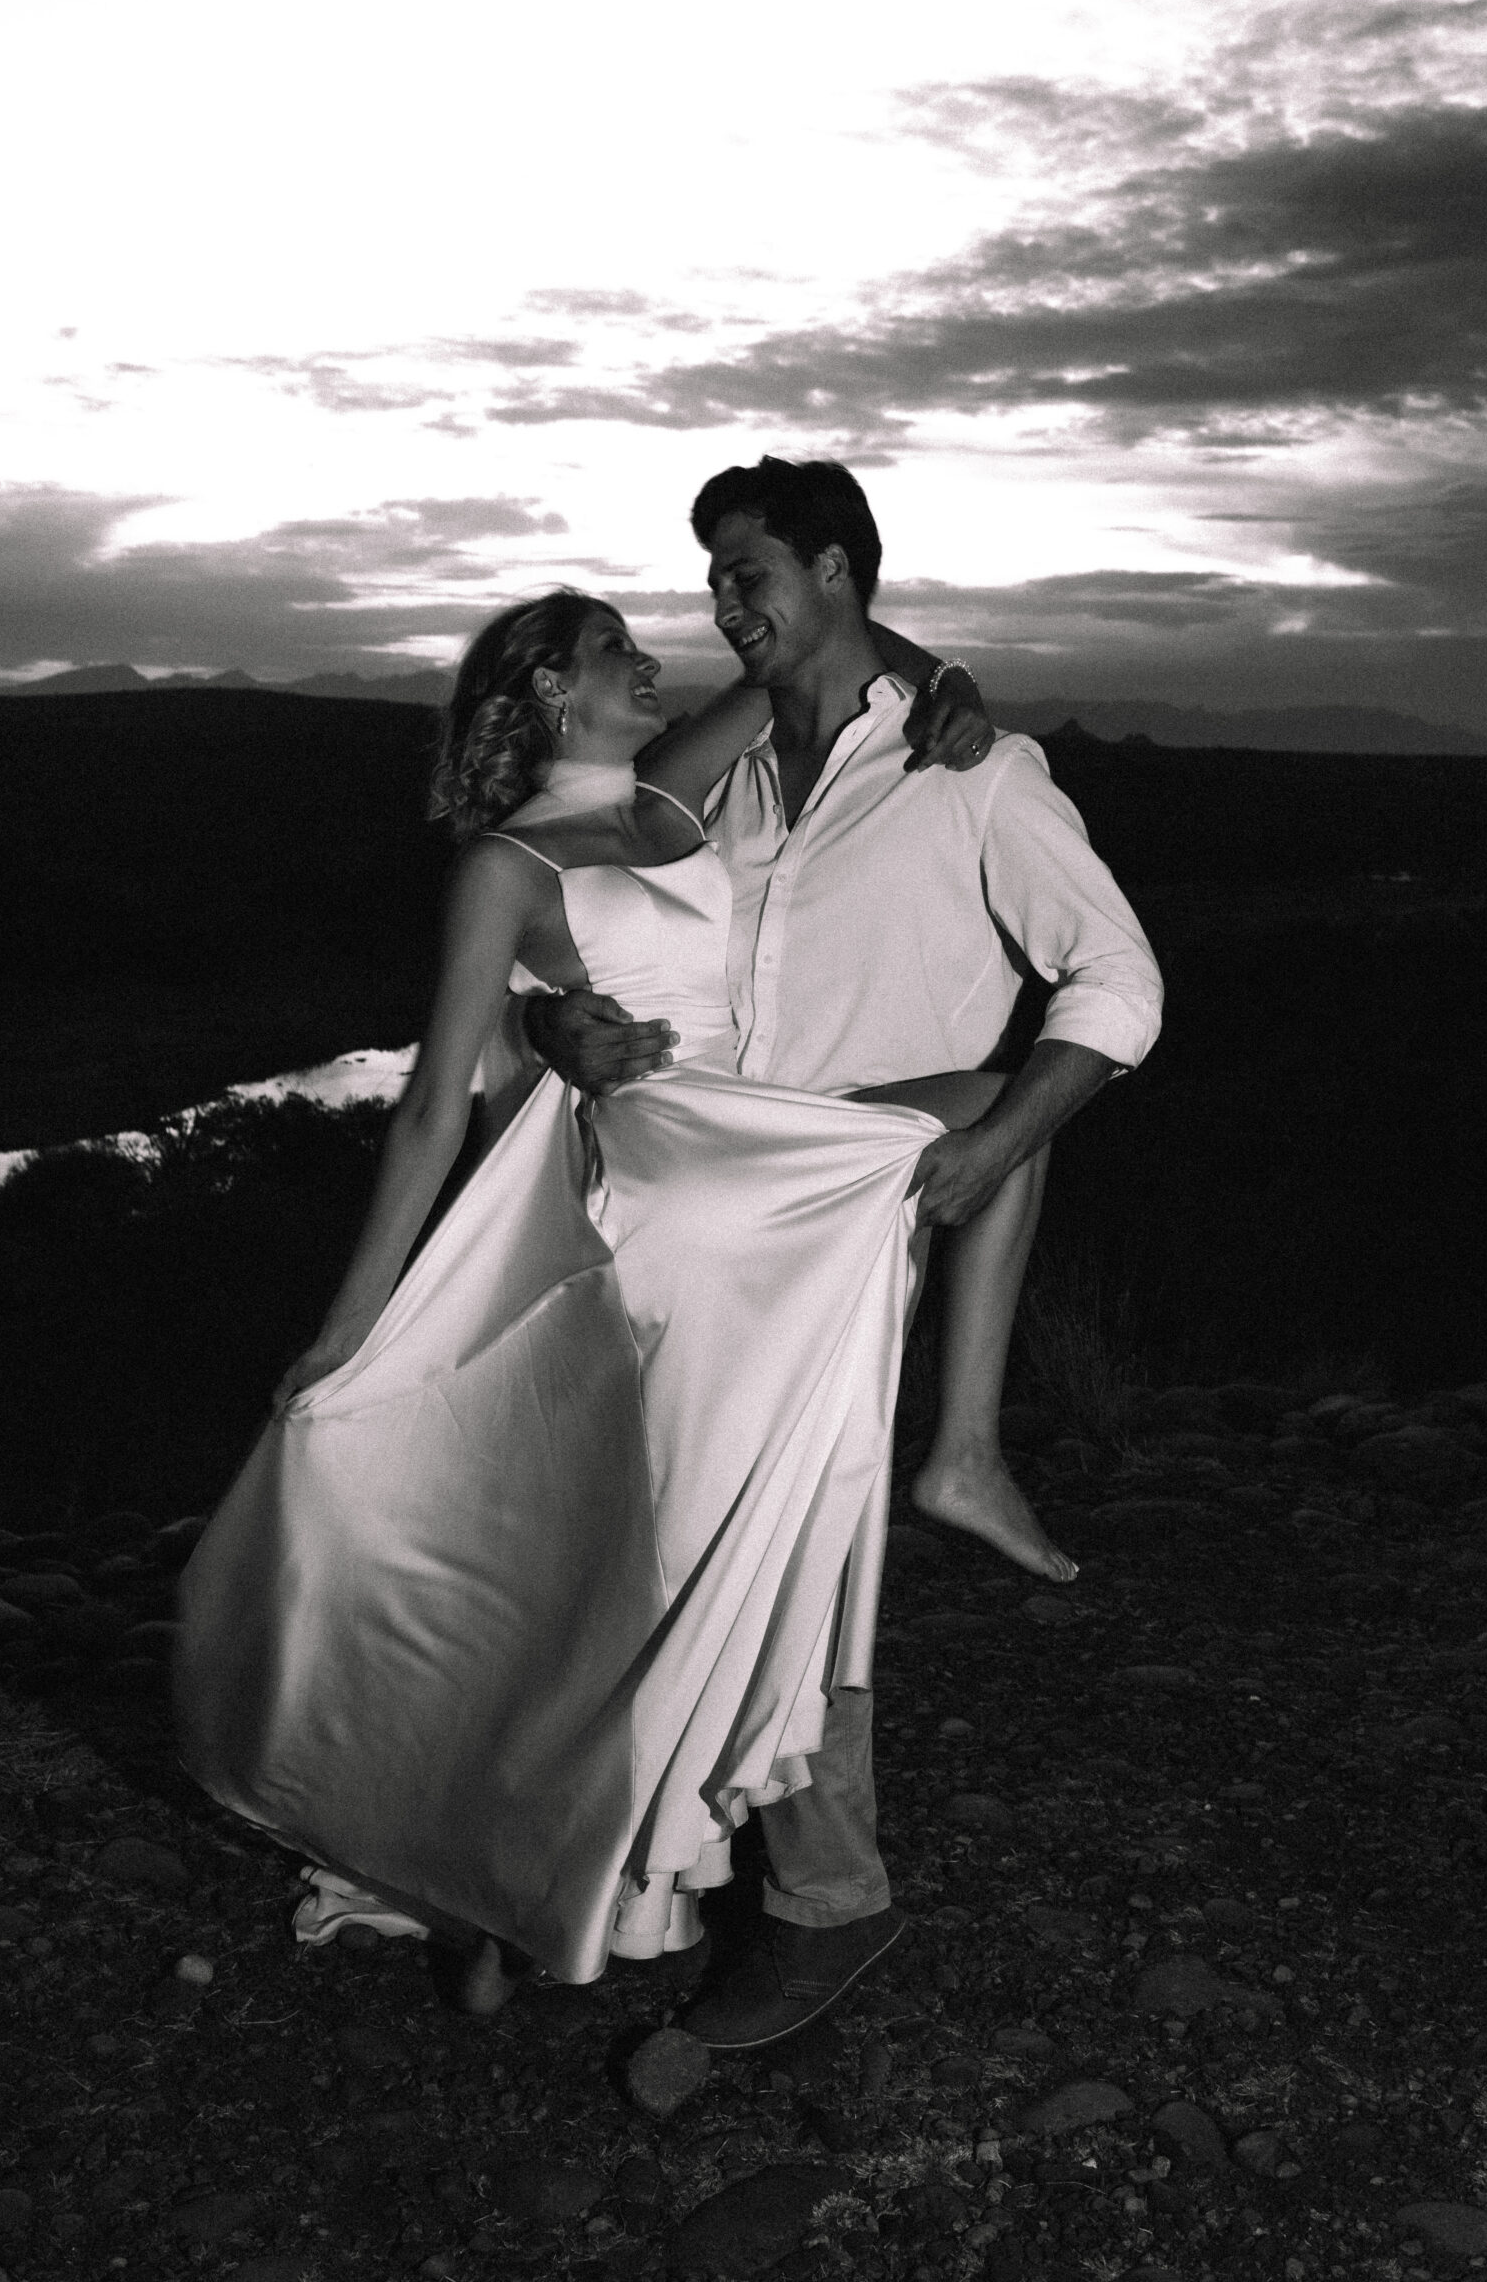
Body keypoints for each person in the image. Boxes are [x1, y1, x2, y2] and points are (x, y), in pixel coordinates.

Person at [174, 585, 997, 2005]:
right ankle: (518, 1872)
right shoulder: (504, 864)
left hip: (767, 1158)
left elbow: (829, 653)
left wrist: (950, 676)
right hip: (667, 1193)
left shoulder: (673, 801)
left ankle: (532, 1874)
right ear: (551, 689)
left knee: (1010, 1103)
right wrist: (350, 1324)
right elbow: (434, 1103)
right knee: (609, 1569)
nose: (654, 659)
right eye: (618, 649)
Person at [521, 457, 1163, 2047]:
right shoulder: (725, 781)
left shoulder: (975, 772)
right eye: (713, 581)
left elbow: (1119, 983)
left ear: (834, 565)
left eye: (750, 573)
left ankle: (825, 1898)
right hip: (687, 1190)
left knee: (801, 1543)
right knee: (668, 1536)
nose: (726, 605)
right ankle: (616, 1856)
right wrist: (559, 1016)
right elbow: (575, 910)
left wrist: (995, 1151)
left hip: (857, 1207)